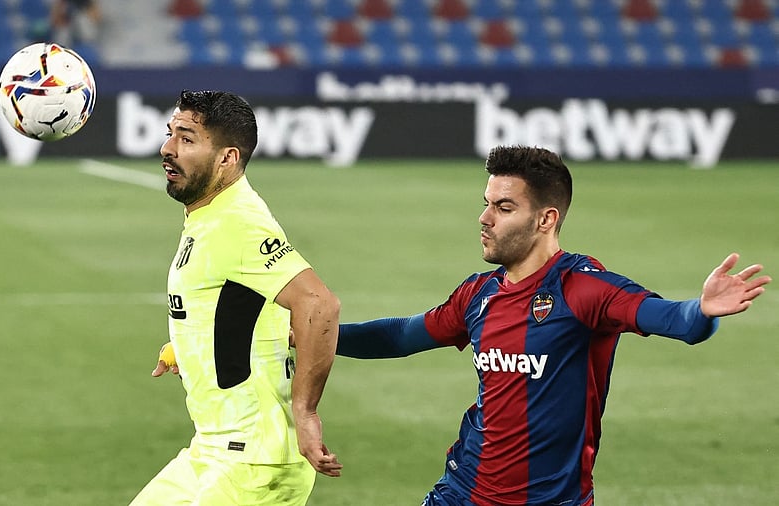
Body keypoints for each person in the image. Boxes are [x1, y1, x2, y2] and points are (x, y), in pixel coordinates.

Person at [336, 145, 770, 506]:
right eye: (486, 204)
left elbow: (677, 321)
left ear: (546, 219)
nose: (485, 218)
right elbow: (400, 335)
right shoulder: (478, 294)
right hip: (463, 491)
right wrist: (318, 337)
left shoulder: (585, 289)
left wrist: (704, 310)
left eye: (504, 207)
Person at [129, 90, 342, 506]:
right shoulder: (211, 214)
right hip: (212, 448)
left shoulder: (238, 223)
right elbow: (238, 304)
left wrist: (306, 413)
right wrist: (189, 348)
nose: (168, 149)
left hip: (254, 462)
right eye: (170, 133)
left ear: (227, 158)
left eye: (186, 139)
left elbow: (319, 304)